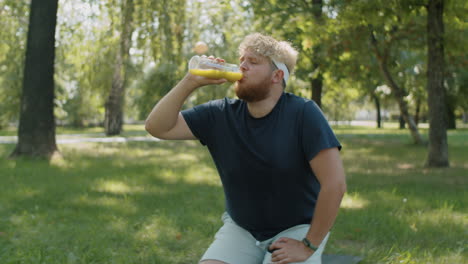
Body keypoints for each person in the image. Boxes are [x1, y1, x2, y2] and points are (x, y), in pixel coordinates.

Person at [145, 33, 346, 264]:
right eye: (241, 60)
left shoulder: (303, 114)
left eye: (253, 61)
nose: (242, 66)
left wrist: (309, 244)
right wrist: (190, 81)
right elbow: (157, 127)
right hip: (242, 229)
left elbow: (335, 184)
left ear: (277, 75)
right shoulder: (220, 114)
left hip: (297, 229)